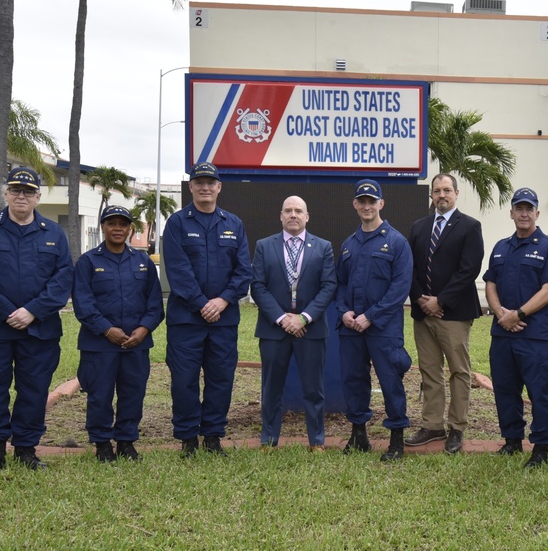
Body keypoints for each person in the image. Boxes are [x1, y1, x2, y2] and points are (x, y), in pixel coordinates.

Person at [0, 167, 73, 474]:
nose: (21, 196)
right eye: (15, 190)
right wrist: (8, 313)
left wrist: (32, 311)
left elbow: (63, 279)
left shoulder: (54, 234)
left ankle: (26, 450)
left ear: (38, 197)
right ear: (5, 194)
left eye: (28, 191)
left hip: (39, 330)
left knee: (34, 390)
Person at [162, 162, 252, 457]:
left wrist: (222, 301)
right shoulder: (177, 223)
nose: (205, 187)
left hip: (223, 321)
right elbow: (177, 271)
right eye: (199, 182)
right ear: (190, 187)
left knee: (220, 379)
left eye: (210, 182)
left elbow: (243, 271)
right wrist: (202, 304)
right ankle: (188, 439)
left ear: (219, 187)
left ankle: (213, 437)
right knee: (184, 380)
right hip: (186, 320)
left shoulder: (234, 223)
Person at [72, 205, 164, 462]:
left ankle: (126, 441)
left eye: (122, 224)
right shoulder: (88, 262)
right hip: (99, 345)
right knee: (100, 395)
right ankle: (102, 444)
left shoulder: (143, 262)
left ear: (130, 229)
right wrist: (107, 330)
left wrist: (144, 329)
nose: (117, 229)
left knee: (133, 394)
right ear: (102, 227)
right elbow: (82, 303)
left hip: (136, 344)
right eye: (111, 223)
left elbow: (154, 303)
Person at [483, 188, 548, 469]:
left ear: (537, 213)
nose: (524, 213)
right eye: (519, 208)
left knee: (538, 391)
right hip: (502, 333)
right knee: (505, 389)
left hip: (534, 335)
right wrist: (500, 313)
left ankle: (541, 446)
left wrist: (517, 314)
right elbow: (490, 283)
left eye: (529, 208)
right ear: (512, 213)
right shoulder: (501, 246)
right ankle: (512, 440)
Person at [405, 174, 484, 454]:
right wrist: (421, 300)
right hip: (422, 313)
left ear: (456, 193)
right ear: (431, 195)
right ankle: (432, 425)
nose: (442, 195)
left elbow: (469, 269)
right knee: (429, 371)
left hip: (454, 313)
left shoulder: (470, 227)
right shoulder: (418, 227)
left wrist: (441, 301)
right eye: (437, 191)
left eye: (446, 190)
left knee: (459, 371)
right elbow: (409, 267)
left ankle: (457, 428)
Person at [250, 196, 336, 452]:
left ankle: (316, 442)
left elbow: (329, 286)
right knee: (271, 388)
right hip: (274, 330)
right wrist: (282, 318)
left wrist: (303, 317)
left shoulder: (323, 247)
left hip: (310, 329)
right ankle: (268, 441)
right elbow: (258, 287)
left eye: (298, 211)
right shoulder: (264, 246)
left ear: (307, 216)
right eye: (288, 210)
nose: (293, 215)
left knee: (314, 389)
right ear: (281, 215)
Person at [335, 179, 413, 462]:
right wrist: (344, 311)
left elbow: (400, 288)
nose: (367, 206)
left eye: (372, 201)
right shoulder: (348, 244)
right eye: (362, 201)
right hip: (351, 327)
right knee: (353, 380)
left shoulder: (396, 242)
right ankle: (359, 435)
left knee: (391, 381)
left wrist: (371, 316)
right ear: (355, 205)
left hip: (383, 329)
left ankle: (396, 440)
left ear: (381, 204)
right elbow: (340, 284)